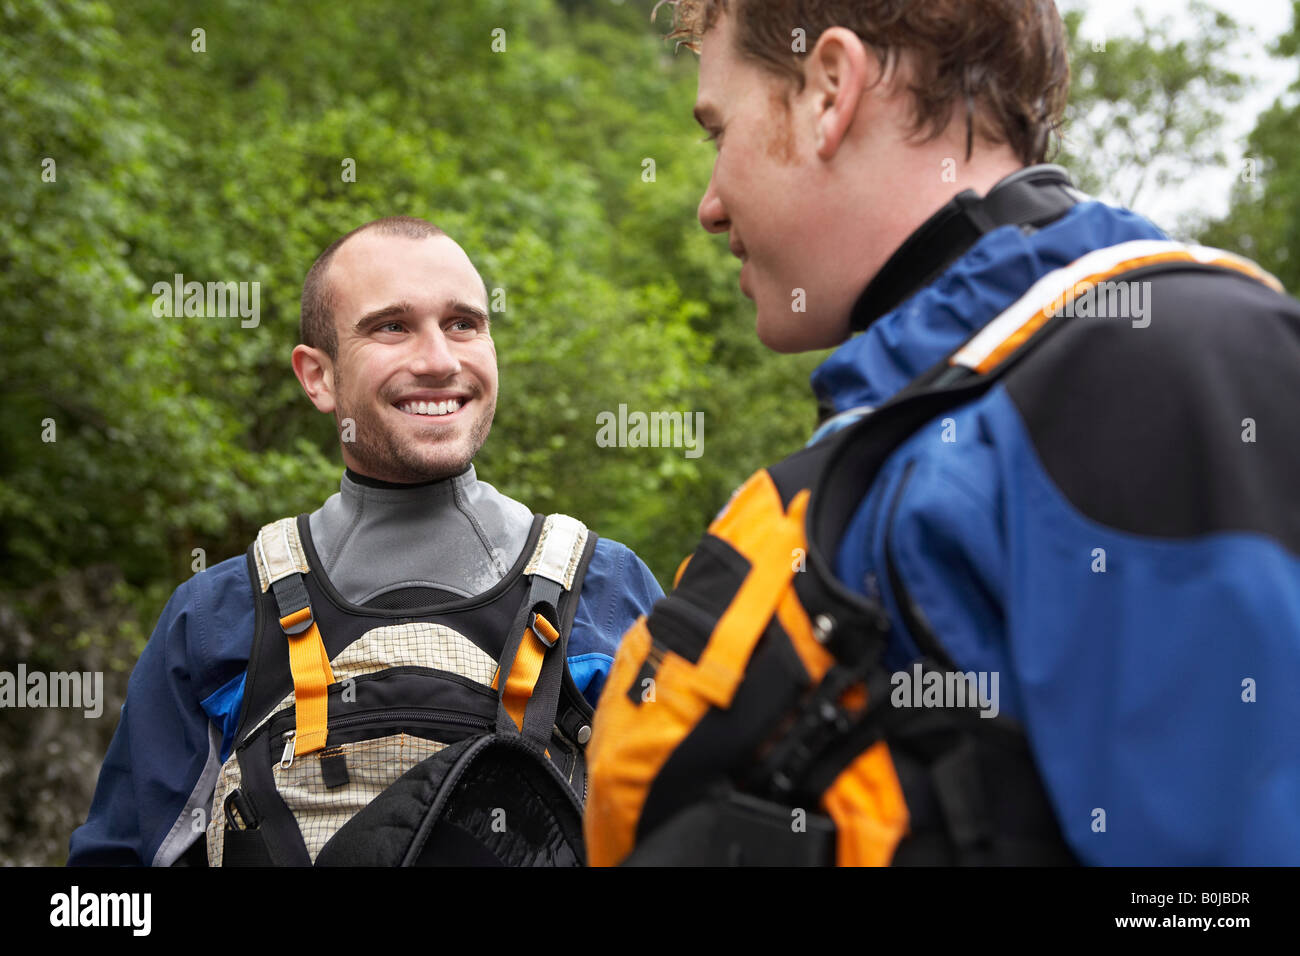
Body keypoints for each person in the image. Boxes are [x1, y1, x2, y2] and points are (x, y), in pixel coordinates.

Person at [584, 0, 1300, 865]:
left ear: (829, 89)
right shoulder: (950, 397)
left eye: (714, 131)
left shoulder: (1155, 358)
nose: (708, 205)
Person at [69, 216, 664, 866]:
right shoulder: (217, 619)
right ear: (317, 377)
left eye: (464, 323)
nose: (439, 360)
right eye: (392, 326)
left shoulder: (606, 589)